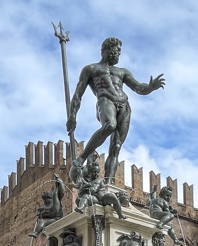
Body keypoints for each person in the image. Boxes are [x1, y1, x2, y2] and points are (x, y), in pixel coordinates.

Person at [67, 37, 165, 183]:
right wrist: (72, 116)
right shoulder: (91, 69)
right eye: (117, 50)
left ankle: (108, 184)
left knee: (116, 146)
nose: (119, 54)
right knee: (110, 125)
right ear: (107, 49)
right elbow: (78, 94)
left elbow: (138, 87)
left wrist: (150, 87)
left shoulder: (122, 72)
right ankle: (82, 158)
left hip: (124, 105)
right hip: (105, 100)